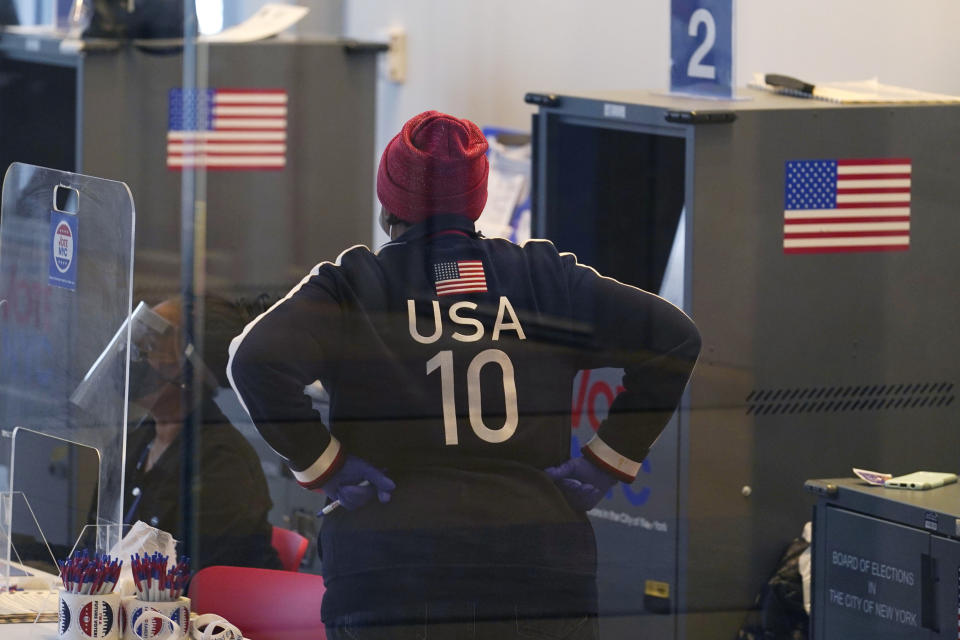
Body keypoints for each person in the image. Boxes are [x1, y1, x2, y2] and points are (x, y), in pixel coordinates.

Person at [228, 111, 701, 638]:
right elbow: (675, 337)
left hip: (391, 571)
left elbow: (251, 360)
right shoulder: (545, 278)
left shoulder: (354, 285)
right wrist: (607, 460)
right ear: (477, 201)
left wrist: (326, 465)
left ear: (388, 205)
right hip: (536, 565)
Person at [124, 294, 281, 571]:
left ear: (191, 372)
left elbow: (195, 586)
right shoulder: (137, 442)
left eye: (151, 345)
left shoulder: (223, 465)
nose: (136, 355)